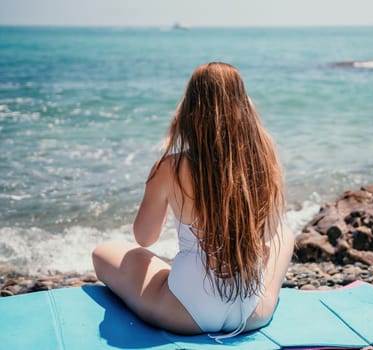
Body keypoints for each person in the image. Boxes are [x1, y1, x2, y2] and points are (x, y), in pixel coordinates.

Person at [92, 62, 295, 339]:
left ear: (189, 109)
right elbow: (269, 234)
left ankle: (186, 272)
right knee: (285, 234)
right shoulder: (263, 159)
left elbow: (144, 237)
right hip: (250, 311)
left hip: (185, 313)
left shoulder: (170, 167)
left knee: (105, 252)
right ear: (244, 107)